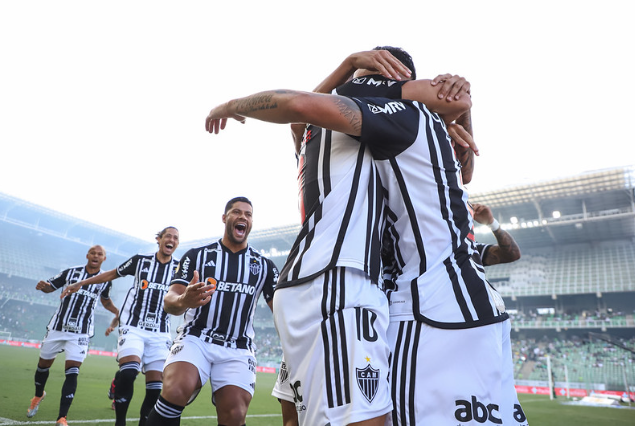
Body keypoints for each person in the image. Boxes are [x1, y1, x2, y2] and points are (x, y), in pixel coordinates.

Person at [204, 73, 526, 425]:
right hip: (358, 290)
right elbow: (463, 146)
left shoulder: (381, 129)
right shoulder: (378, 132)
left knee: (304, 412)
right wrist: (457, 112)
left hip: (363, 293)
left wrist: (456, 112)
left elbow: (300, 111)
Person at [270, 48, 473, 426]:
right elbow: (463, 157)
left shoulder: (317, 130)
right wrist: (455, 108)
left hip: (301, 280)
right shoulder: (368, 115)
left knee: (295, 417)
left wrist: (348, 64)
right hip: (340, 280)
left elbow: (298, 116)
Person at [146, 197, 279, 426]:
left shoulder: (264, 266)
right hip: (197, 338)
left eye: (248, 214)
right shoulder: (197, 256)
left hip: (238, 347)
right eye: (236, 212)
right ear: (224, 218)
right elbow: (169, 302)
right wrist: (185, 299)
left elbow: (282, 310)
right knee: (177, 390)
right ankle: (189, 384)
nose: (242, 217)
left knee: (234, 415)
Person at [61, 227, 180, 426]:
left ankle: (144, 422)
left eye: (176, 238)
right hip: (133, 327)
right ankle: (120, 423)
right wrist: (81, 283)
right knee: (128, 372)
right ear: (159, 239)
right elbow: (111, 274)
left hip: (160, 332)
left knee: (155, 388)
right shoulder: (140, 260)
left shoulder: (179, 268)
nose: (172, 240)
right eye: (168, 236)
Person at [27, 245, 119, 426]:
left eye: (100, 254)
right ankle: (38, 395)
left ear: (104, 259)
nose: (96, 255)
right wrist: (43, 286)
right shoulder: (70, 272)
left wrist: (118, 312)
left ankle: (62, 417)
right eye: (93, 252)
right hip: (57, 328)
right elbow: (50, 287)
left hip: (81, 333)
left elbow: (106, 301)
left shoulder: (105, 281)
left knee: (72, 372)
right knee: (42, 367)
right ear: (87, 255)